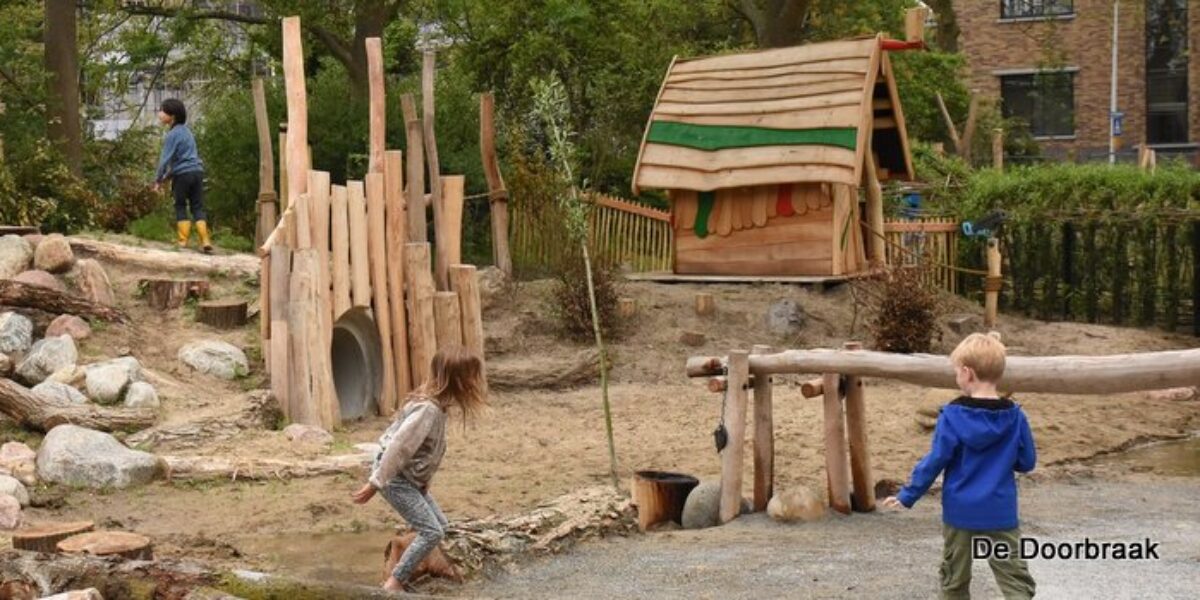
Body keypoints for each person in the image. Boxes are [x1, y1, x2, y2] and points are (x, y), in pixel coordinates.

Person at [883, 332, 1037, 599]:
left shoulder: (952, 416)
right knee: (1014, 580)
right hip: (1000, 513)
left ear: (967, 373)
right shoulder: (1015, 416)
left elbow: (935, 461)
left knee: (955, 578)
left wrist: (908, 495)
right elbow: (1027, 462)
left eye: (956, 372)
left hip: (960, 514)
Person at [352, 345, 486, 592]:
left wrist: (424, 481)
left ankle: (410, 555)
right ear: (455, 379)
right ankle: (394, 583)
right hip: (393, 478)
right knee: (432, 532)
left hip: (408, 478)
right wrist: (375, 483)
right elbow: (398, 447)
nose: (474, 383)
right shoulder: (428, 410)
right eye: (470, 377)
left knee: (442, 527)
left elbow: (427, 452)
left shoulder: (439, 407)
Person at [153, 98, 211, 253]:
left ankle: (183, 241)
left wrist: (158, 180)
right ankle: (205, 240)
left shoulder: (172, 135)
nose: (159, 113)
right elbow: (186, 159)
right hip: (197, 172)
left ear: (172, 116)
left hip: (183, 175)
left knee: (180, 205)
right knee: (197, 206)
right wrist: (167, 178)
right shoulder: (188, 132)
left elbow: (164, 161)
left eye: (162, 110)